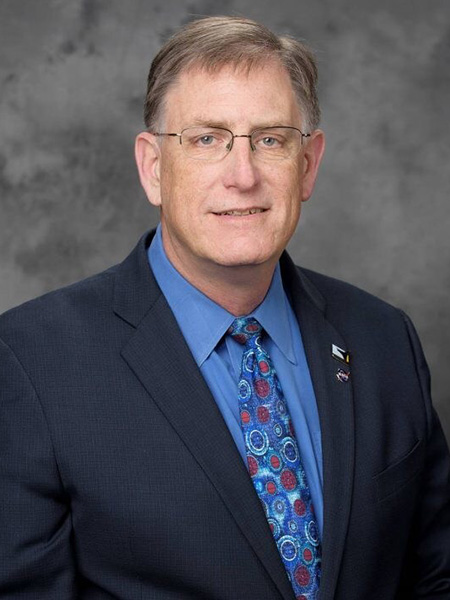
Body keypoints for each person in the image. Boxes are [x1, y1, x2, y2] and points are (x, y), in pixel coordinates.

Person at [0, 15, 449, 600]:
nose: (243, 176)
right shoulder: (31, 363)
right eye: (207, 139)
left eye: (270, 139)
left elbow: (434, 577)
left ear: (307, 164)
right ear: (153, 167)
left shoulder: (384, 338)